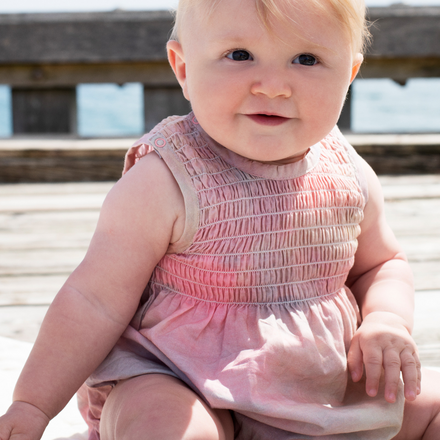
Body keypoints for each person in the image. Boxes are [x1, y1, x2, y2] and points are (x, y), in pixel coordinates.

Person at [1, 0, 440, 438]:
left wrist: (386, 319)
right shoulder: (167, 179)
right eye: (239, 55)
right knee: (160, 421)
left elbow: (381, 264)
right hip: (182, 376)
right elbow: (92, 300)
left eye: (306, 59)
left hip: (321, 380)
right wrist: (33, 404)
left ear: (349, 74)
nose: (273, 86)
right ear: (184, 67)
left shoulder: (348, 172)